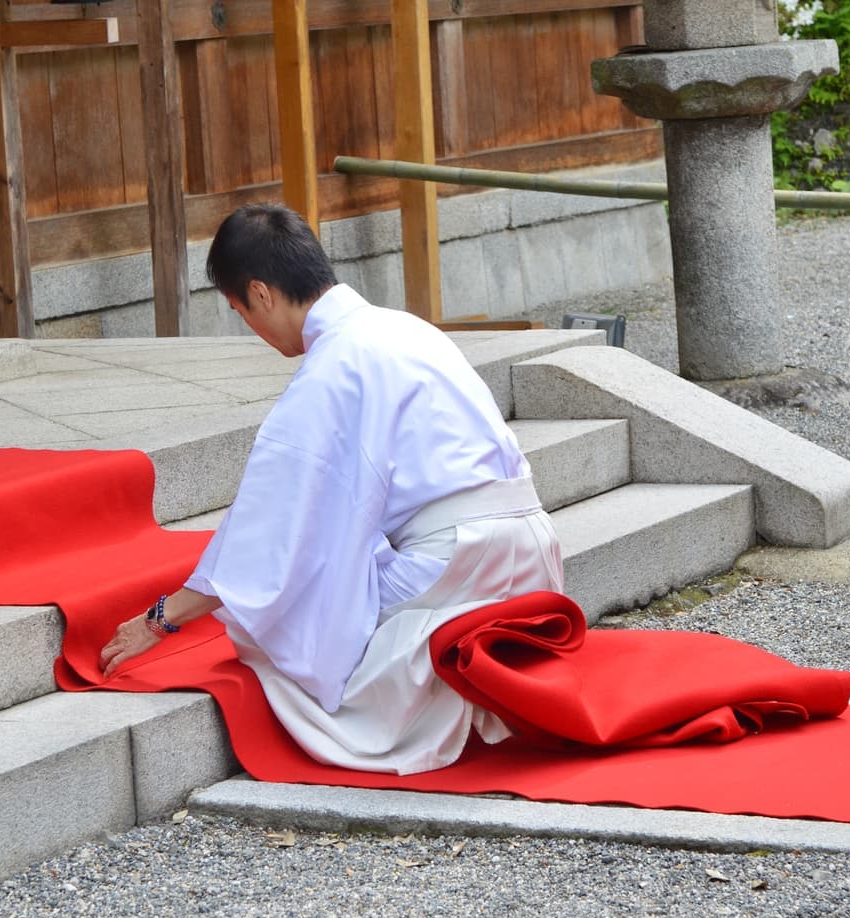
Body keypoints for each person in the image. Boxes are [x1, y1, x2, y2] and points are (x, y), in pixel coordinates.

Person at [100, 203, 563, 775]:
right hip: (535, 549)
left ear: (261, 294)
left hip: (458, 564)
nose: (253, 328)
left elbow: (271, 536)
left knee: (276, 630)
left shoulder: (332, 369)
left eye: (241, 311)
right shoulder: (407, 327)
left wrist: (161, 618)